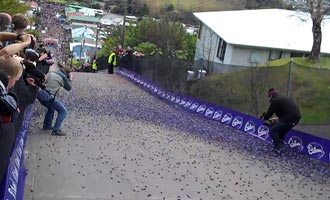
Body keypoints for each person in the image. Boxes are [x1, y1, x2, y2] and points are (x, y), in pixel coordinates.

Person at [37, 64, 72, 136]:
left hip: (42, 95)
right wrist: (70, 79)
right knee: (63, 111)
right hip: (50, 97)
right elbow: (69, 88)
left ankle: (47, 125)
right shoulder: (63, 77)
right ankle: (56, 129)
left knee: (51, 108)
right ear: (67, 73)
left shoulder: (52, 73)